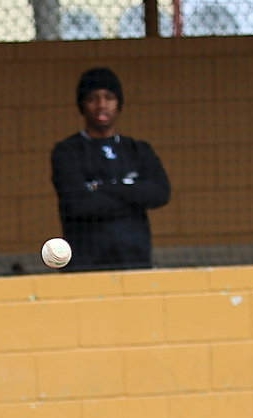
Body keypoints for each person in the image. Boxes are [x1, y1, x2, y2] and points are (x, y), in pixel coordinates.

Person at [50, 67, 171, 271]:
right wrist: (133, 194)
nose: (101, 105)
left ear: (119, 103)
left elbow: (160, 193)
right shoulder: (67, 151)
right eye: (93, 98)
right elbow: (78, 204)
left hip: (136, 262)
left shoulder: (138, 149)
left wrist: (104, 188)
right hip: (85, 265)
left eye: (109, 97)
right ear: (82, 104)